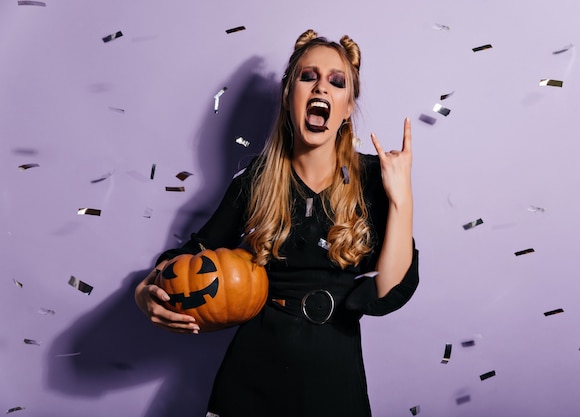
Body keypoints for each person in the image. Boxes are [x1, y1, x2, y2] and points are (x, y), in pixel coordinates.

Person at [135, 29, 419, 417]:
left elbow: (388, 291)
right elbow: (192, 255)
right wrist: (147, 289)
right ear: (289, 96)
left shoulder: (374, 177)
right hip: (253, 375)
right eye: (308, 76)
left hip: (333, 376)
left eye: (336, 82)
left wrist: (402, 198)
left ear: (347, 106)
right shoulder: (257, 179)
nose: (321, 87)